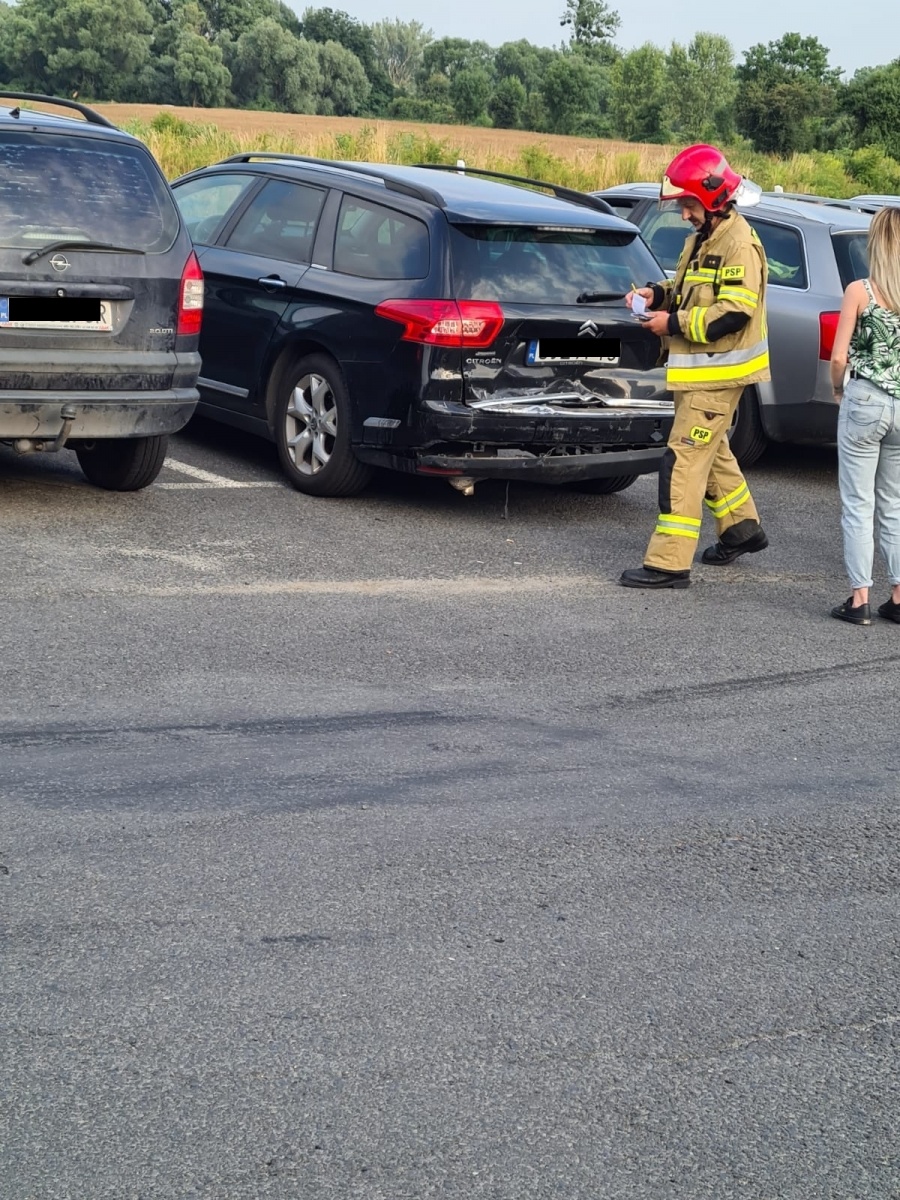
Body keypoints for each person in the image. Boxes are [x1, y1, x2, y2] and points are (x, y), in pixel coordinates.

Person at [619, 144, 770, 590]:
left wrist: (673, 323)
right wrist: (656, 295)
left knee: (682, 461)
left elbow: (734, 313)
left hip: (717, 376)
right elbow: (689, 286)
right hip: (701, 374)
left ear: (712, 200)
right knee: (712, 451)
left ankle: (668, 563)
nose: (684, 214)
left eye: (688, 205)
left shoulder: (738, 243)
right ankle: (742, 529)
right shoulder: (707, 236)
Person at [829, 206, 900, 626]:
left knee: (858, 503)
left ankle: (859, 600)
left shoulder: (861, 290)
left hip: (866, 400)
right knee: (894, 504)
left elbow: (839, 356)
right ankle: (898, 595)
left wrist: (837, 388)